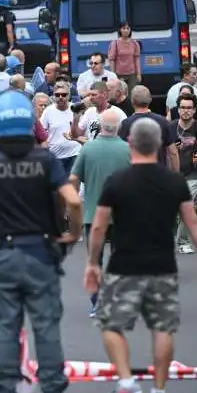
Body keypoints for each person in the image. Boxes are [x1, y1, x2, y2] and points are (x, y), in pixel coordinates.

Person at [84, 118, 197, 393]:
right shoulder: (174, 182)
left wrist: (92, 263)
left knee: (110, 324)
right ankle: (158, 392)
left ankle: (127, 383)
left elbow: (98, 228)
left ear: (129, 143)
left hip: (124, 265)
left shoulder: (117, 181)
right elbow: (193, 223)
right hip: (163, 265)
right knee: (162, 328)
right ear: (159, 144)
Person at [0, 89, 82, 393]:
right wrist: (72, 233)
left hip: (1, 253)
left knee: (5, 327)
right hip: (41, 253)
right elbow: (73, 200)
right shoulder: (45, 161)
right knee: (46, 327)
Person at [70, 110, 131, 317]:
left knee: (95, 260)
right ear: (119, 128)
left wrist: (73, 206)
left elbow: (73, 179)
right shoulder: (128, 150)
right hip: (122, 216)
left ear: (100, 126)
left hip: (92, 216)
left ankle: (97, 303)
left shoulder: (88, 149)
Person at [171, 93, 197, 254]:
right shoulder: (170, 127)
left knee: (186, 207)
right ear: (178, 109)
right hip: (173, 175)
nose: (186, 111)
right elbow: (160, 150)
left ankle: (183, 241)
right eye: (183, 108)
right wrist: (172, 149)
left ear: (194, 110)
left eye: (189, 108)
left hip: (193, 174)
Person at [119, 86, 178, 170]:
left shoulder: (126, 124)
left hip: (134, 176)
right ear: (150, 100)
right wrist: (176, 176)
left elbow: (122, 153)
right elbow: (173, 152)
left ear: (132, 101)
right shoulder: (162, 121)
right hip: (159, 174)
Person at [40, 81, 81, 172]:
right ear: (54, 96)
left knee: (73, 184)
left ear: (69, 96)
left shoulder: (75, 109)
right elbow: (42, 132)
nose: (60, 97)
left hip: (74, 154)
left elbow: (83, 130)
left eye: (64, 95)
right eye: (57, 95)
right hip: (56, 156)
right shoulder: (48, 111)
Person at [107, 23, 141, 92]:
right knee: (120, 95)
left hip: (132, 75)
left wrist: (138, 74)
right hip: (119, 75)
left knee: (131, 94)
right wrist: (113, 76)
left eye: (127, 28)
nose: (126, 30)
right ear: (120, 30)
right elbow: (111, 60)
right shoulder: (115, 43)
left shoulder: (134, 43)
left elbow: (136, 59)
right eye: (123, 28)